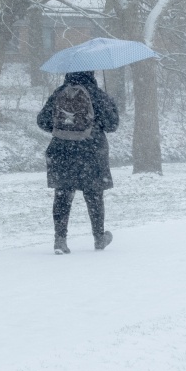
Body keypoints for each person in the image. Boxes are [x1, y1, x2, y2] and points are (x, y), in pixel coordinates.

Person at [37, 70, 120, 254]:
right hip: (91, 152)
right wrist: (111, 104)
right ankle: (99, 238)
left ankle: (60, 239)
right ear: (91, 73)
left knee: (62, 195)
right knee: (94, 195)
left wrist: (63, 130)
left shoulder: (60, 93)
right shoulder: (97, 94)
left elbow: (42, 121)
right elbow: (112, 124)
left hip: (61, 151)